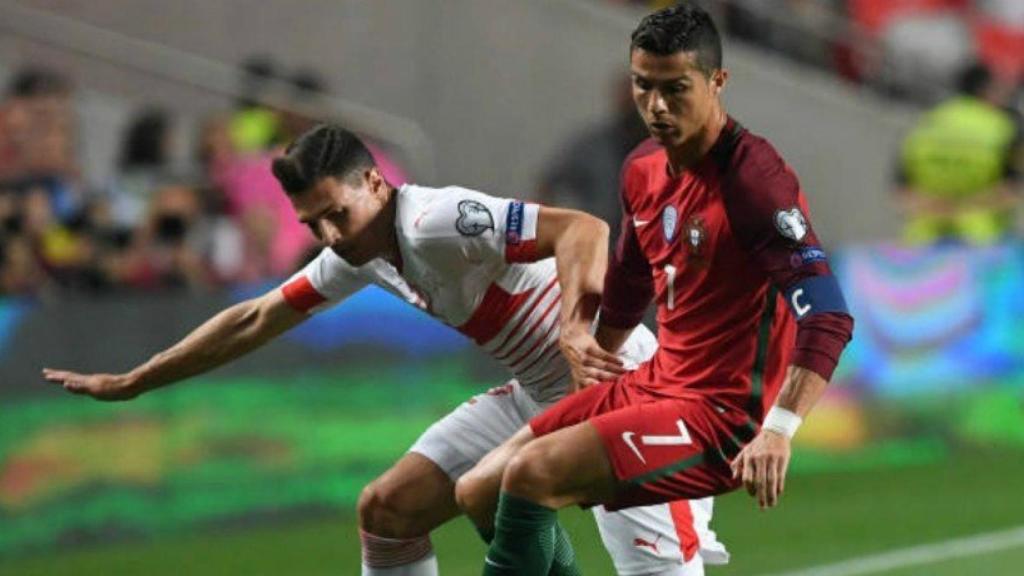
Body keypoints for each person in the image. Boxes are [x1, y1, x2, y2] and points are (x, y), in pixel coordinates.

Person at [42, 124, 729, 576]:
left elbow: (581, 229)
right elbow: (253, 319)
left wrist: (579, 326)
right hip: (541, 393)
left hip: (627, 394)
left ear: (375, 183)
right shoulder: (361, 253)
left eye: (337, 213)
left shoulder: (434, 221)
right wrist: (136, 380)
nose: (331, 235)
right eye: (313, 224)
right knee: (388, 512)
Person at [453, 5, 855, 574]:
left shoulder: (754, 182)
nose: (657, 107)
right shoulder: (643, 168)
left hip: (722, 419)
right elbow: (630, 275)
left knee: (531, 474)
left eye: (676, 89)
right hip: (658, 382)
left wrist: (778, 432)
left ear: (718, 82)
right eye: (644, 86)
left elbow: (830, 316)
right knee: (478, 490)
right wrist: (602, 355)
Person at [896, 62, 1022, 245]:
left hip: (922, 240)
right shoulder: (1005, 128)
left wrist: (938, 208)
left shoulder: (927, 121)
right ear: (985, 90)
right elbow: (1013, 189)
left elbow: (900, 191)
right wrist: (964, 207)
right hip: (982, 243)